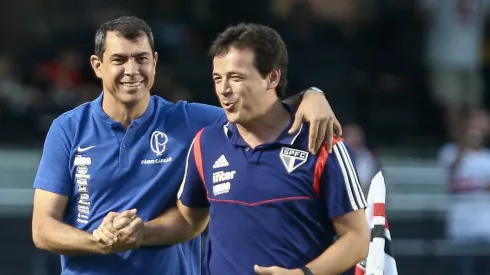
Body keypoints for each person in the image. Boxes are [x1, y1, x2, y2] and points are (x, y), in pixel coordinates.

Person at [31, 16, 341, 275]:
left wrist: (311, 94)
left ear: (154, 62)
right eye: (119, 60)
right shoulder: (68, 128)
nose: (132, 70)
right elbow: (43, 229)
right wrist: (99, 241)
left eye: (141, 59)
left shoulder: (195, 122)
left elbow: (259, 108)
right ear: (98, 66)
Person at [176, 23, 370, 275]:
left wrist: (303, 274)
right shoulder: (206, 142)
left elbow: (357, 239)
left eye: (236, 77)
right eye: (217, 78)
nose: (223, 90)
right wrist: (138, 231)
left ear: (272, 77)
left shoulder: (322, 143)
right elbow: (187, 220)